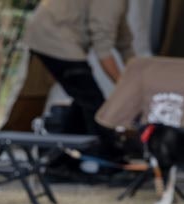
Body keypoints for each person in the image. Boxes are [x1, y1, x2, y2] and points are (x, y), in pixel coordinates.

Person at [24, 0, 133, 143]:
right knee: (94, 103)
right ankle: (108, 156)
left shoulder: (120, 3)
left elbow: (124, 41)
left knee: (83, 102)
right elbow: (103, 48)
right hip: (54, 37)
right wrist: (126, 86)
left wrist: (138, 76)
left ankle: (63, 157)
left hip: (53, 33)